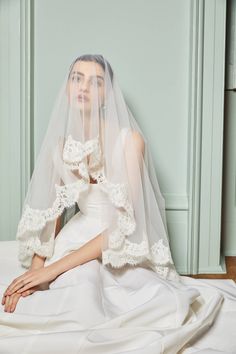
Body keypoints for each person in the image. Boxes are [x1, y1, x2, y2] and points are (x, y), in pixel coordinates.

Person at [0, 55, 236, 354]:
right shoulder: (60, 146)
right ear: (67, 87)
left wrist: (53, 269)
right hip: (75, 235)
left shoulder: (129, 141)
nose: (83, 87)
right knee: (34, 295)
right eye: (77, 78)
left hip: (115, 242)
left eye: (95, 81)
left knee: (91, 294)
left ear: (107, 95)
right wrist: (37, 269)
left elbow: (123, 227)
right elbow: (52, 214)